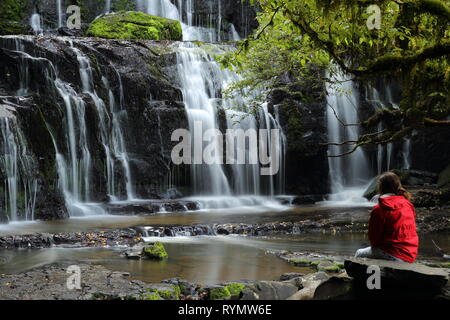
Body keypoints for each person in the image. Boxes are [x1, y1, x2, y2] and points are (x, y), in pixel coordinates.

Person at [355, 171, 419, 263]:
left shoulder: (379, 208)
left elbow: (374, 240)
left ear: (380, 187)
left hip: (394, 255)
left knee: (359, 253)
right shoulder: (407, 204)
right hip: (411, 255)